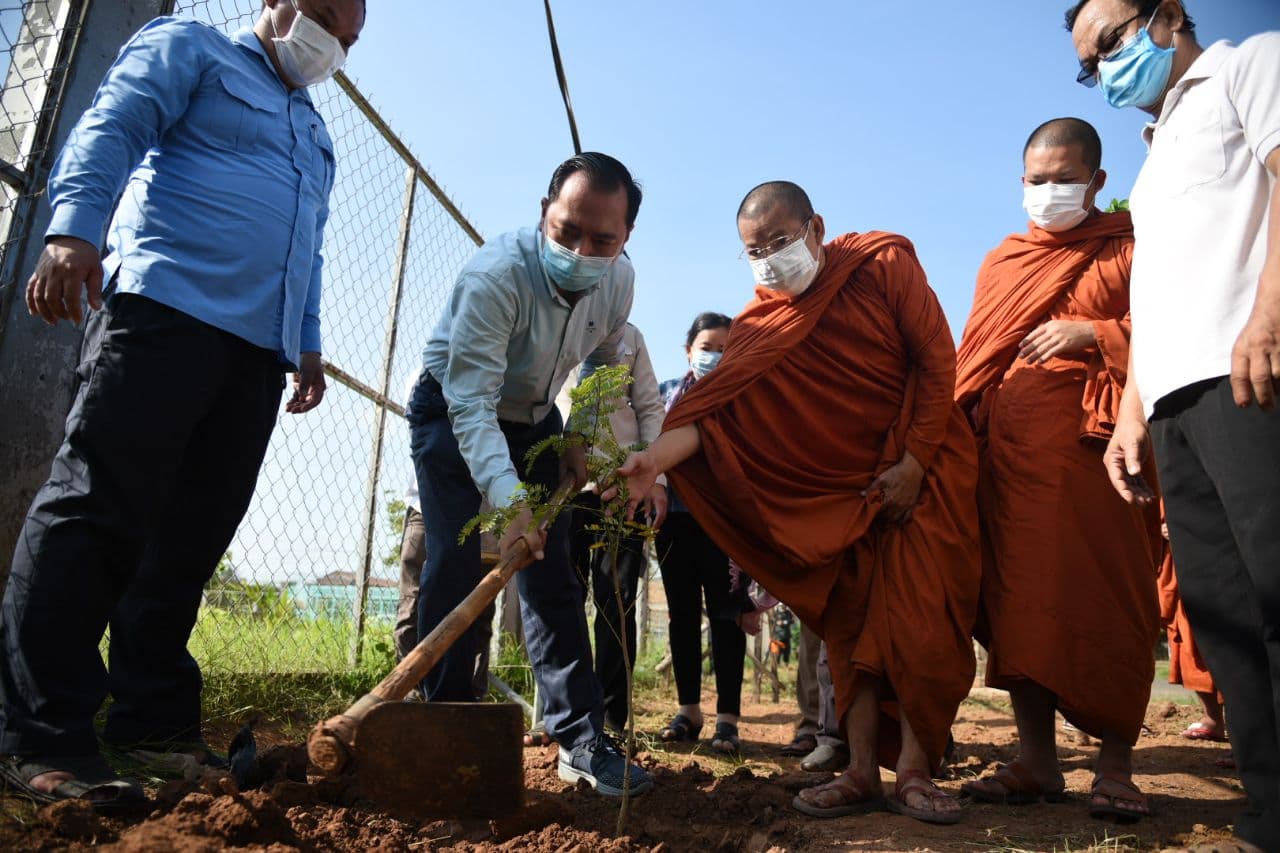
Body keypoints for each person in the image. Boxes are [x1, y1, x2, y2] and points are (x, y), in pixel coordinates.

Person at [0, 0, 364, 807]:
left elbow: (309, 242)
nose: (332, 41)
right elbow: (113, 125)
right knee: (97, 508)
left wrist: (305, 341)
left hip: (255, 355)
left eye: (348, 36)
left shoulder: (317, 134)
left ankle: (152, 725)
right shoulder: (192, 49)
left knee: (189, 540)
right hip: (163, 310)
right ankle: (39, 731)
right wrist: (73, 231)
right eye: (324, 15)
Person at [608, 182, 981, 825]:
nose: (771, 259)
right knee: (850, 627)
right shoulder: (760, 324)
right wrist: (653, 464)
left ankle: (916, 772)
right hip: (840, 497)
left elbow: (936, 359)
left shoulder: (883, 265)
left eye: (782, 241)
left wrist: (915, 462)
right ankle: (862, 770)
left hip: (924, 472)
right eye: (755, 250)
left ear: (817, 228)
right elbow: (714, 416)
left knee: (925, 627)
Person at [1067, 2, 1279, 848]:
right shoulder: (1151, 164)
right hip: (1174, 407)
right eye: (1091, 63)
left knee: (1276, 589)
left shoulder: (1249, 65)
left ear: (1169, 16)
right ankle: (1268, 807)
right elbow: (1150, 302)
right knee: (1220, 607)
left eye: (1111, 41)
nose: (1105, 68)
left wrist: (1268, 318)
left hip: (1250, 375)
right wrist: (1129, 416)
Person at [407, 152, 654, 798]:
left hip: (538, 418)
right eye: (567, 230)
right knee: (457, 558)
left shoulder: (619, 282)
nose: (581, 249)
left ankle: (580, 739)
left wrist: (576, 434)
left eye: (602, 239)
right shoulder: (497, 277)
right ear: (544, 213)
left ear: (625, 238)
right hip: (455, 407)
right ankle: (450, 727)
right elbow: (470, 404)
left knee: (553, 577)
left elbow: (605, 355)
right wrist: (510, 498)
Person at [954, 118, 1161, 821]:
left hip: (1100, 453)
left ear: (1099, 182)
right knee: (1020, 605)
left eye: (1065, 180)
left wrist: (1095, 333)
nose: (1049, 192)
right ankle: (1036, 758)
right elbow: (976, 357)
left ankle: (1116, 763)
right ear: (1021, 183)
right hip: (1010, 459)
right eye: (1038, 181)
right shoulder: (1002, 260)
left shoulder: (1130, 247)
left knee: (1109, 594)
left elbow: (1178, 328)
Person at [555, 322, 668, 736]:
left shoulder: (632, 338)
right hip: (562, 486)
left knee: (616, 601)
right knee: (560, 598)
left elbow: (650, 408)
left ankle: (611, 718)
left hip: (622, 487)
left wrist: (655, 479)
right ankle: (561, 713)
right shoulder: (552, 323)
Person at [652, 311, 748, 756]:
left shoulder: (744, 397)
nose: (715, 355)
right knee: (681, 616)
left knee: (727, 616)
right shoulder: (665, 394)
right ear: (688, 350)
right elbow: (652, 444)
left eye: (725, 348)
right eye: (707, 346)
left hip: (724, 524)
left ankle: (728, 720)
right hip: (673, 520)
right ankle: (688, 710)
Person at [1156, 516, 1227, 747]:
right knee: (1188, 645)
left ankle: (1249, 736)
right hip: (1178, 564)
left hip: (1217, 559)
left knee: (1230, 647)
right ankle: (1213, 719)